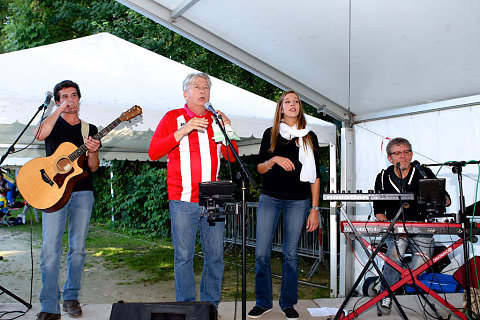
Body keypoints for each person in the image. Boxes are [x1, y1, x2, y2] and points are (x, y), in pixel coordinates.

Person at [148, 72, 237, 307]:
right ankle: (186, 309)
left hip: (213, 199)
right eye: (197, 87)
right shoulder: (172, 117)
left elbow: (231, 156)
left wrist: (227, 128)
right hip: (182, 199)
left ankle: (210, 307)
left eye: (206, 87)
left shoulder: (215, 119)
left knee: (215, 256)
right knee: (184, 257)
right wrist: (183, 130)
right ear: (185, 93)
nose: (202, 91)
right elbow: (154, 151)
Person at [248, 91, 320, 320]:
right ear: (280, 107)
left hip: (298, 201)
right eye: (287, 101)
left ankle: (288, 302)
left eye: (296, 101)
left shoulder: (309, 137)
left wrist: (315, 209)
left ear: (300, 107)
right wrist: (273, 160)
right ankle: (263, 302)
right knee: (261, 252)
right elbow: (259, 168)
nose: (292, 104)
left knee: (290, 254)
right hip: (270, 198)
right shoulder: (271, 134)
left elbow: (315, 177)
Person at [34, 80, 101, 320]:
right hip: (52, 193)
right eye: (64, 96)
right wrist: (58, 110)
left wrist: (92, 150)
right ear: (58, 100)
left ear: (80, 99)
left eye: (73, 96)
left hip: (82, 191)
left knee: (78, 248)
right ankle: (49, 305)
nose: (70, 100)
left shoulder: (89, 128)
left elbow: (93, 167)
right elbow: (39, 134)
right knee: (50, 249)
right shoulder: (52, 124)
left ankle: (71, 297)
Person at [373, 137, 450, 314]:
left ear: (412, 154)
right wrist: (388, 225)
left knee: (422, 260)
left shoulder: (423, 173)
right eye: (398, 153)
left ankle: (387, 282)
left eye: (407, 152)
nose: (403, 156)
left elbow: (445, 200)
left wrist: (441, 197)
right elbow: (378, 208)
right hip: (396, 228)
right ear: (390, 158)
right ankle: (387, 294)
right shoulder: (383, 177)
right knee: (396, 252)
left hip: (422, 227)